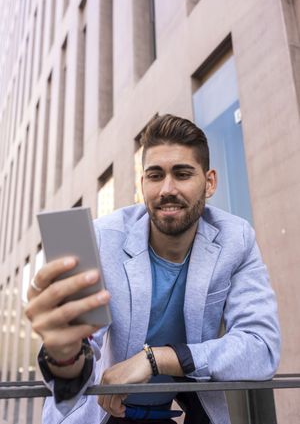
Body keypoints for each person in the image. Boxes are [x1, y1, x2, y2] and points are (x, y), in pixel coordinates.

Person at [26, 113, 280, 424]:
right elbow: (74, 365)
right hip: (102, 414)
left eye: (183, 174)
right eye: (155, 175)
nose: (167, 189)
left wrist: (156, 359)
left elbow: (261, 347)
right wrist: (63, 353)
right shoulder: (96, 238)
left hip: (182, 411)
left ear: (209, 182)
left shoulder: (236, 239)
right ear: (143, 182)